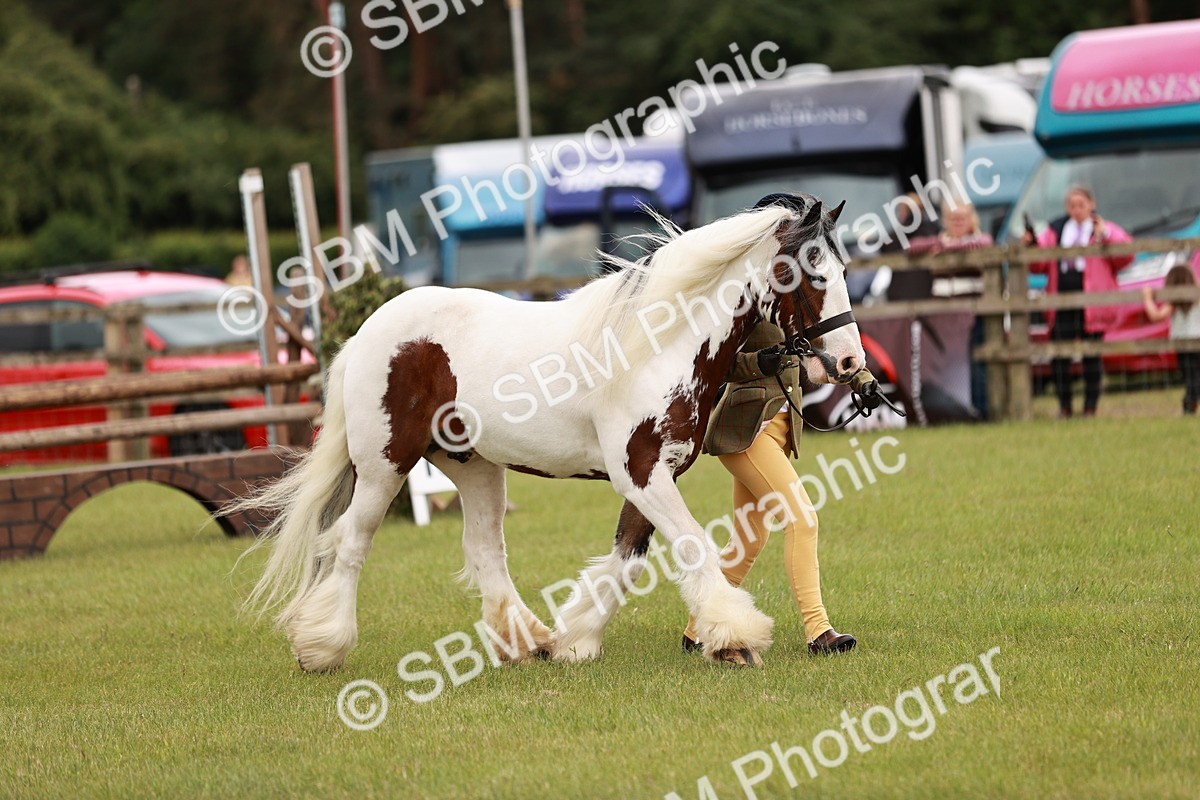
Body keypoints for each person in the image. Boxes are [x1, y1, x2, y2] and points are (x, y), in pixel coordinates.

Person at [681, 320, 880, 665]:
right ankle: (819, 632)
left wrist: (863, 380)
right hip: (746, 430)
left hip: (779, 432)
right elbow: (720, 362)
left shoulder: (801, 302)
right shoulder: (750, 297)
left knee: (748, 542)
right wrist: (761, 362)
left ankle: (696, 630)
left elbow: (828, 348)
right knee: (802, 521)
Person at [1024, 186, 1133, 418]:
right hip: (1061, 300)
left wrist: (1105, 235)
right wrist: (1031, 244)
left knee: (1091, 355)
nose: (1076, 210)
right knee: (1059, 355)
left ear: (1091, 205)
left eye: (1080, 204)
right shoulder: (1055, 230)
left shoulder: (1102, 229)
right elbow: (1037, 263)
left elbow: (1125, 256)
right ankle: (1065, 407)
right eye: (1072, 205)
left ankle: (1090, 407)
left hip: (1091, 303)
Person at [1142, 265, 1200, 414]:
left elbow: (1155, 315)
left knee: (1190, 376)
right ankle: (1190, 402)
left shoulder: (1174, 303)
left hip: (1183, 345)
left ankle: (1189, 405)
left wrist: (1147, 298)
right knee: (1196, 376)